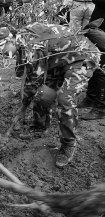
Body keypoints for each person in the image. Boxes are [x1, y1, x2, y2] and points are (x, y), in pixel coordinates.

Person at [16, 23, 95, 168]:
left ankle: (68, 143)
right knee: (44, 92)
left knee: (64, 98)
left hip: (82, 58)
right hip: (58, 58)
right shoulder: (21, 38)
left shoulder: (33, 47)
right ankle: (39, 127)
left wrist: (23, 108)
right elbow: (27, 74)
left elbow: (33, 81)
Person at [56, 0, 105, 120]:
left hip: (103, 29)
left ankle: (100, 106)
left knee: (101, 65)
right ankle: (91, 97)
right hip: (95, 26)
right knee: (90, 59)